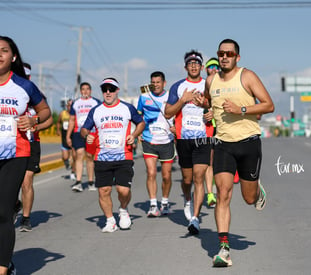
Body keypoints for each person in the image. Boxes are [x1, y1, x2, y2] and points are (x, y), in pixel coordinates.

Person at [196, 38, 274, 267]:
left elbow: (268, 105)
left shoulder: (247, 76)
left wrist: (241, 109)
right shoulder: (211, 80)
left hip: (248, 142)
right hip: (223, 144)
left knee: (248, 198)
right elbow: (209, 103)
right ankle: (224, 249)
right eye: (221, 53)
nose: (224, 57)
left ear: (237, 57)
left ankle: (256, 189)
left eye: (229, 53)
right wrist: (205, 109)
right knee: (223, 193)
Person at [0, 36, 51, 275]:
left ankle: (3, 268)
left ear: (13, 56)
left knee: (3, 211)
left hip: (15, 153)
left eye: (3, 50)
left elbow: (45, 111)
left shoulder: (23, 85)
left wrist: (33, 120)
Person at [81, 77, 145, 232]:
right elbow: (84, 129)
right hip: (102, 157)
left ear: (117, 90)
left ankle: (123, 210)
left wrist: (134, 134)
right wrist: (87, 135)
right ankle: (110, 220)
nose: (108, 92)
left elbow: (141, 122)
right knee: (104, 191)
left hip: (124, 155)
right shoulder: (96, 110)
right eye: (105, 89)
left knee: (123, 190)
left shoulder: (127, 108)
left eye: (111, 89)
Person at [165, 50, 212, 235]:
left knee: (199, 177)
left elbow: (215, 108)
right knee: (187, 179)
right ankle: (187, 199)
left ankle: (195, 218)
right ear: (185, 67)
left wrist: (208, 109)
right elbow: (168, 112)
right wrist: (183, 100)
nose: (193, 66)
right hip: (183, 139)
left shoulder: (209, 85)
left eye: (197, 63)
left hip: (202, 138)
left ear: (202, 67)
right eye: (190, 63)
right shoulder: (178, 87)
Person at [18, 63, 54, 232]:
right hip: (12, 143)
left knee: (27, 181)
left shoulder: (37, 96)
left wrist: (36, 126)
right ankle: (15, 204)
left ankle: (25, 218)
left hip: (32, 143)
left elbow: (49, 119)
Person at [137, 71, 175, 217]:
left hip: (166, 140)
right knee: (151, 172)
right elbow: (138, 115)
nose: (156, 85)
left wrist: (176, 127)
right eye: (153, 82)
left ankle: (164, 203)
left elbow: (177, 114)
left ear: (164, 83)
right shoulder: (144, 96)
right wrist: (138, 131)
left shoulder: (171, 97)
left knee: (166, 175)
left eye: (158, 82)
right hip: (149, 139)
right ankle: (153, 205)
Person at [66, 82, 100, 192]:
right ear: (80, 91)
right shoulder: (76, 103)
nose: (85, 91)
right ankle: (78, 181)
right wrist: (68, 136)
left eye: (87, 89)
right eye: (83, 89)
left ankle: (91, 181)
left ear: (90, 91)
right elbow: (71, 120)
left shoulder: (96, 102)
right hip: (78, 132)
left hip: (92, 132)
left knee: (90, 156)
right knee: (79, 154)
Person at [204, 58, 219, 207]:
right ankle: (210, 194)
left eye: (216, 66)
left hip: (225, 129)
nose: (214, 69)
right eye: (210, 67)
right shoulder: (205, 86)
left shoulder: (226, 85)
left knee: (219, 162)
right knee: (209, 162)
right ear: (206, 70)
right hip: (208, 129)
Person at [57, 99, 75, 174]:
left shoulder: (75, 114)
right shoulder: (62, 113)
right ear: (66, 106)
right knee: (65, 157)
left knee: (74, 156)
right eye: (68, 105)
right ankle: (67, 163)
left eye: (71, 106)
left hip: (73, 136)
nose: (69, 107)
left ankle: (74, 171)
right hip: (64, 136)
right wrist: (58, 130)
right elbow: (58, 122)